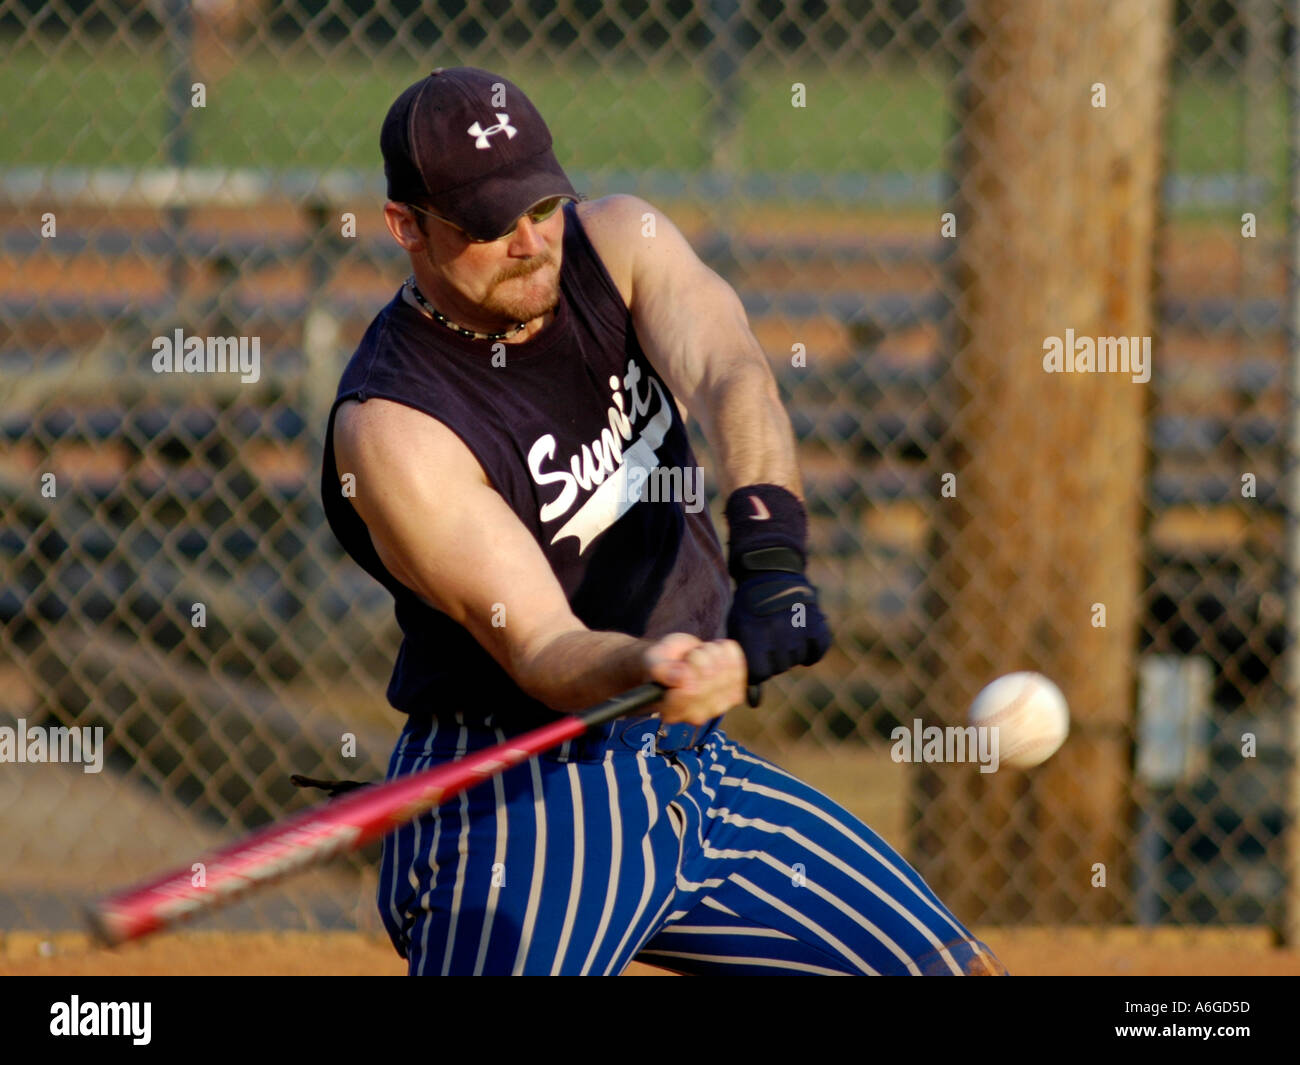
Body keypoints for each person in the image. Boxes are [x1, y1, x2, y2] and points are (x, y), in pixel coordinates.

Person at [321, 67, 1004, 976]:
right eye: (488, 225)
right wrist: (649, 663)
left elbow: (731, 371)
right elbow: (542, 645)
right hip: (523, 792)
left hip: (690, 768)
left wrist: (772, 555)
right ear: (405, 226)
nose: (529, 243)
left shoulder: (618, 244)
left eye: (541, 206)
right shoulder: (394, 427)